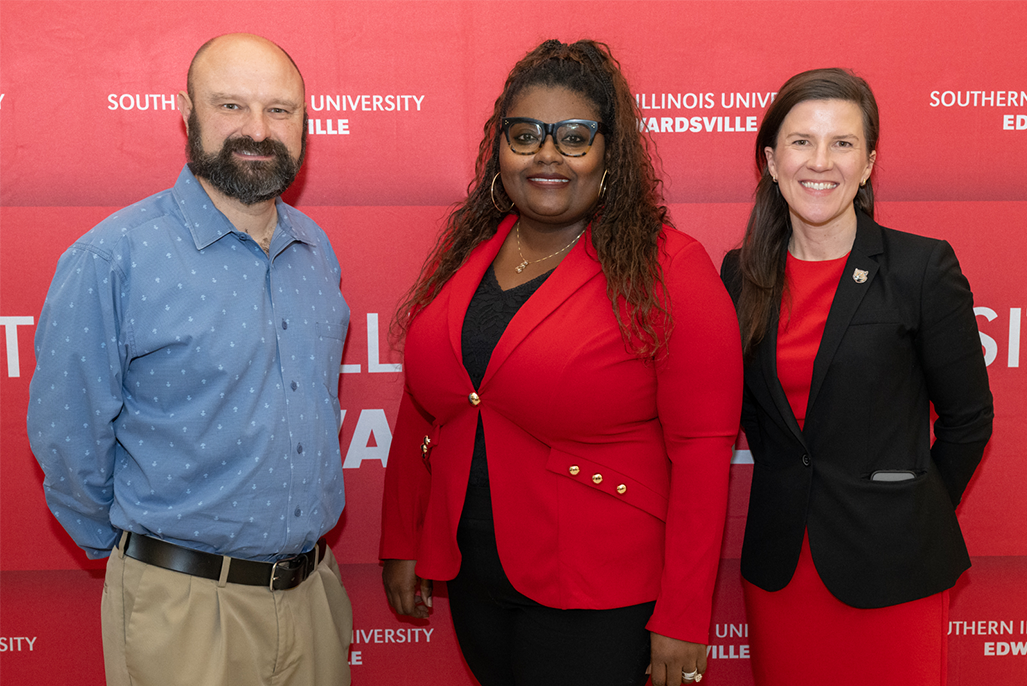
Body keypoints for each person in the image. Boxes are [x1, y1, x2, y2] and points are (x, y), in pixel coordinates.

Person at [379, 39, 742, 686]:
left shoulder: (670, 268)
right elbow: (427, 405)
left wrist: (684, 614)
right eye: (525, 136)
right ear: (499, 150)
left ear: (610, 155)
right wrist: (403, 539)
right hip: (476, 578)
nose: (547, 154)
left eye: (574, 137)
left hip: (599, 591)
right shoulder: (468, 252)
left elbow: (702, 452)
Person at [27, 33, 352, 686]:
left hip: (313, 595)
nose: (257, 130)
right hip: (182, 609)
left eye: (279, 110)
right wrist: (143, 561)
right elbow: (68, 439)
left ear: (305, 122)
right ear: (186, 112)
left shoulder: (315, 250)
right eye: (231, 105)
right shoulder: (111, 258)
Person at [720, 68, 993, 685]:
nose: (820, 162)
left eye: (842, 143)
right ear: (771, 160)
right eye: (801, 141)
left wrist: (911, 510)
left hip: (895, 565)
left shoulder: (921, 267)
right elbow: (754, 418)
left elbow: (969, 420)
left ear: (867, 164)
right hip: (782, 571)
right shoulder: (741, 274)